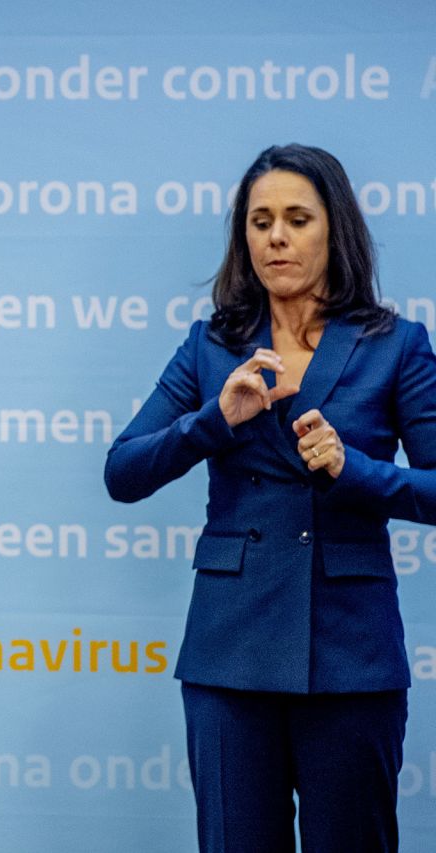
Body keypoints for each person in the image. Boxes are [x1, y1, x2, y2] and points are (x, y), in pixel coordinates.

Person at [105, 144, 436, 852]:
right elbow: (122, 471)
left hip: (350, 654)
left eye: (295, 218)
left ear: (333, 228)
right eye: (259, 221)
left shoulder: (397, 344)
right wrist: (215, 420)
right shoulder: (210, 346)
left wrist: (357, 471)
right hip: (230, 652)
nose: (275, 236)